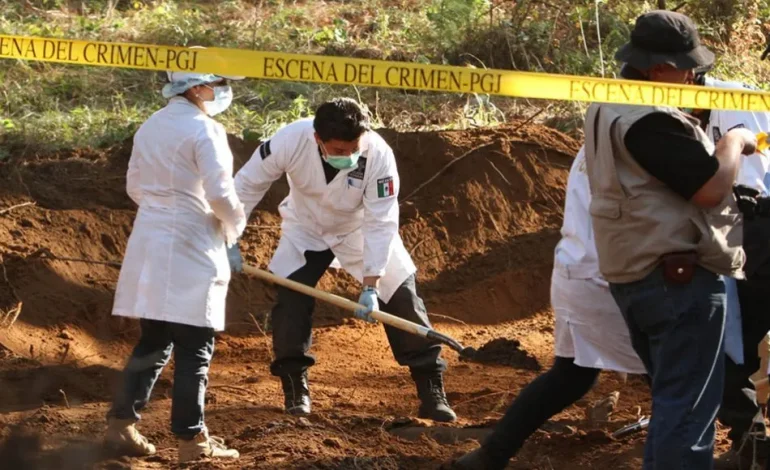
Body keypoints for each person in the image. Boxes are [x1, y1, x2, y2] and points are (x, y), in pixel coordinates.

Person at [582, 10, 755, 469]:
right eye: (687, 66)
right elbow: (709, 188)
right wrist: (733, 143)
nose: (694, 75)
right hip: (676, 278)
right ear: (658, 68)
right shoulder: (650, 117)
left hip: (635, 272)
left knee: (675, 402)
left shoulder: (605, 103)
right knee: (688, 413)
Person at [231, 98, 456, 422]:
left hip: (359, 229)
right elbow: (247, 185)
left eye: (353, 148)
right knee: (291, 301)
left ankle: (431, 387)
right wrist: (230, 235)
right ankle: (296, 387)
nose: (348, 156)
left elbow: (381, 221)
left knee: (402, 296)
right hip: (306, 228)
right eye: (338, 150)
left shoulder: (378, 155)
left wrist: (371, 283)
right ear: (317, 139)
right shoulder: (289, 140)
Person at [450, 145, 647, 469]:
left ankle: (490, 455)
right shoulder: (649, 135)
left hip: (579, 271)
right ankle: (740, 440)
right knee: (677, 374)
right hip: (615, 278)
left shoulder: (599, 137)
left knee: (571, 377)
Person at [103, 68, 246, 463]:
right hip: (191, 240)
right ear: (198, 88)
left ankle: (120, 426)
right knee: (195, 348)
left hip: (150, 239)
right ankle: (192, 442)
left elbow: (134, 185)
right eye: (220, 84)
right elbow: (220, 192)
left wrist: (163, 207)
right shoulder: (205, 129)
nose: (223, 91)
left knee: (154, 341)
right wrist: (234, 230)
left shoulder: (149, 127)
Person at [691, 72, 770, 468]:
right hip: (741, 232)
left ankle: (750, 439)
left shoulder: (738, 100)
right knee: (735, 343)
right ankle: (751, 440)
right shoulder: (687, 109)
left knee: (729, 341)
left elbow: (750, 184)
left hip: (753, 227)